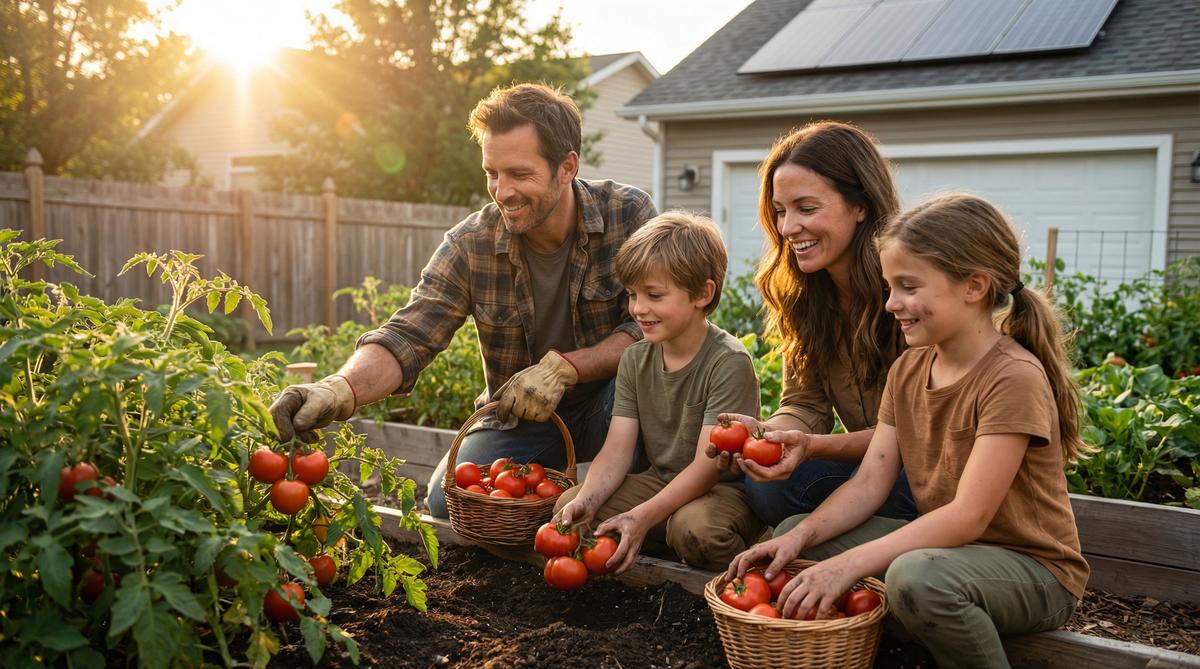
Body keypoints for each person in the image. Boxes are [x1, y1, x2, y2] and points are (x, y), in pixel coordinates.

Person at [726, 193, 1091, 669]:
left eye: (908, 286)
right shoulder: (911, 368)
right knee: (799, 533)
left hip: (1032, 570)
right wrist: (800, 538)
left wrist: (851, 564)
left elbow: (968, 517)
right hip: (949, 553)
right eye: (889, 286)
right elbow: (869, 483)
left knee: (917, 577)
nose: (893, 303)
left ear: (974, 286)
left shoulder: (1012, 378)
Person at [268, 83, 657, 518]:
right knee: (446, 502)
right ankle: (575, 498)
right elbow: (410, 334)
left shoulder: (628, 215)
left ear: (567, 167)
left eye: (519, 174)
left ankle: (604, 494)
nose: (502, 191)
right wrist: (339, 389)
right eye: (493, 173)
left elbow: (652, 328)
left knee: (649, 403)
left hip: (615, 408)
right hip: (521, 419)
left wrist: (567, 367)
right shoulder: (472, 243)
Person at [707, 121, 916, 526]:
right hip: (867, 463)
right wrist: (770, 437)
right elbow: (804, 404)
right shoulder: (806, 297)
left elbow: (917, 434)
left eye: (806, 208)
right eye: (781, 211)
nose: (787, 228)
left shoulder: (908, 293)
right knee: (768, 487)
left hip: (927, 464)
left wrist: (813, 446)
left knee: (890, 485)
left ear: (861, 206)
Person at [552, 212, 765, 572]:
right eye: (633, 295)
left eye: (654, 295)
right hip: (659, 483)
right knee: (569, 508)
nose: (638, 309)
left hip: (721, 492)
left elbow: (707, 466)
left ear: (702, 293)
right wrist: (588, 498)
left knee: (695, 530)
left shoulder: (728, 362)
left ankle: (746, 560)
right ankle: (657, 544)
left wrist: (643, 515)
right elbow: (617, 451)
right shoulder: (636, 359)